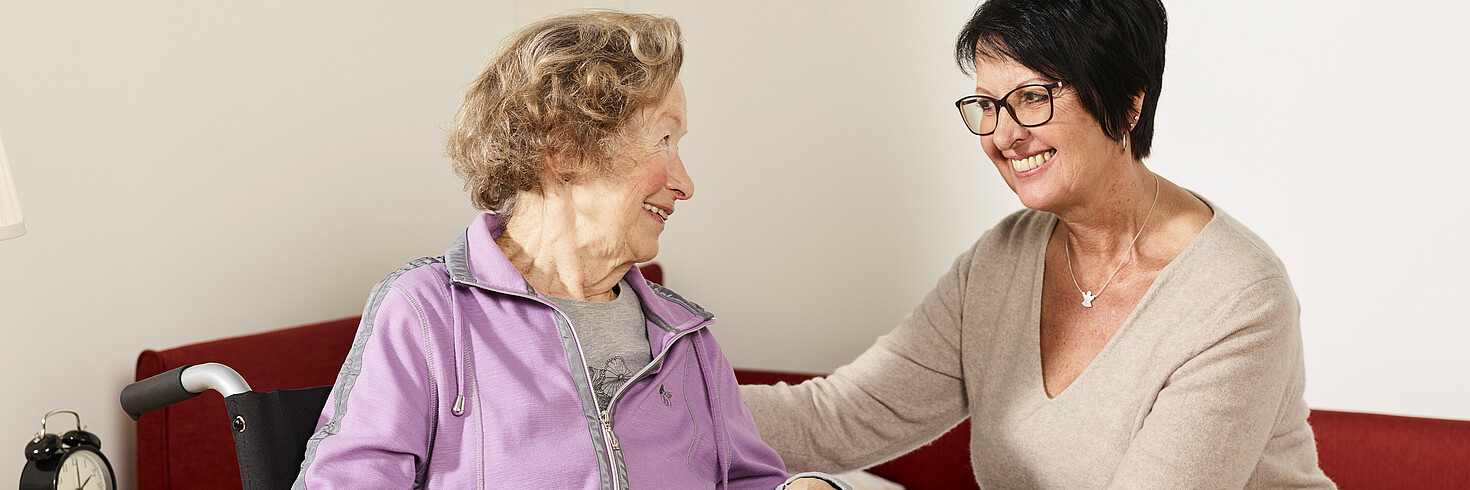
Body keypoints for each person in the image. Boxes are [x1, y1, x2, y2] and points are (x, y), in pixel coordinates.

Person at [740, 0, 1336, 488]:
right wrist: (660, 397)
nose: (1002, 135)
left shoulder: (1237, 298)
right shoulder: (1002, 260)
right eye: (988, 105)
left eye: (1032, 98)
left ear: (1128, 100)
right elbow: (841, 417)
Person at [293, 11, 844, 490]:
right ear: (563, 145)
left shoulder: (685, 338)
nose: (684, 182)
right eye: (664, 140)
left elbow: (750, 480)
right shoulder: (430, 313)